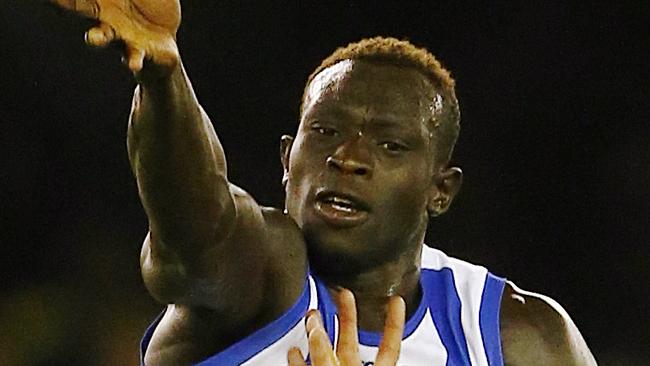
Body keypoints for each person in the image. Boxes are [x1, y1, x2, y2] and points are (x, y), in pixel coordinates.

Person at [50, 0, 598, 365]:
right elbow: (194, 229)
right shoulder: (258, 271)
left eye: (389, 143)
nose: (348, 157)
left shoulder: (518, 336)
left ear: (441, 191)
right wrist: (163, 77)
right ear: (288, 159)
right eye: (327, 130)